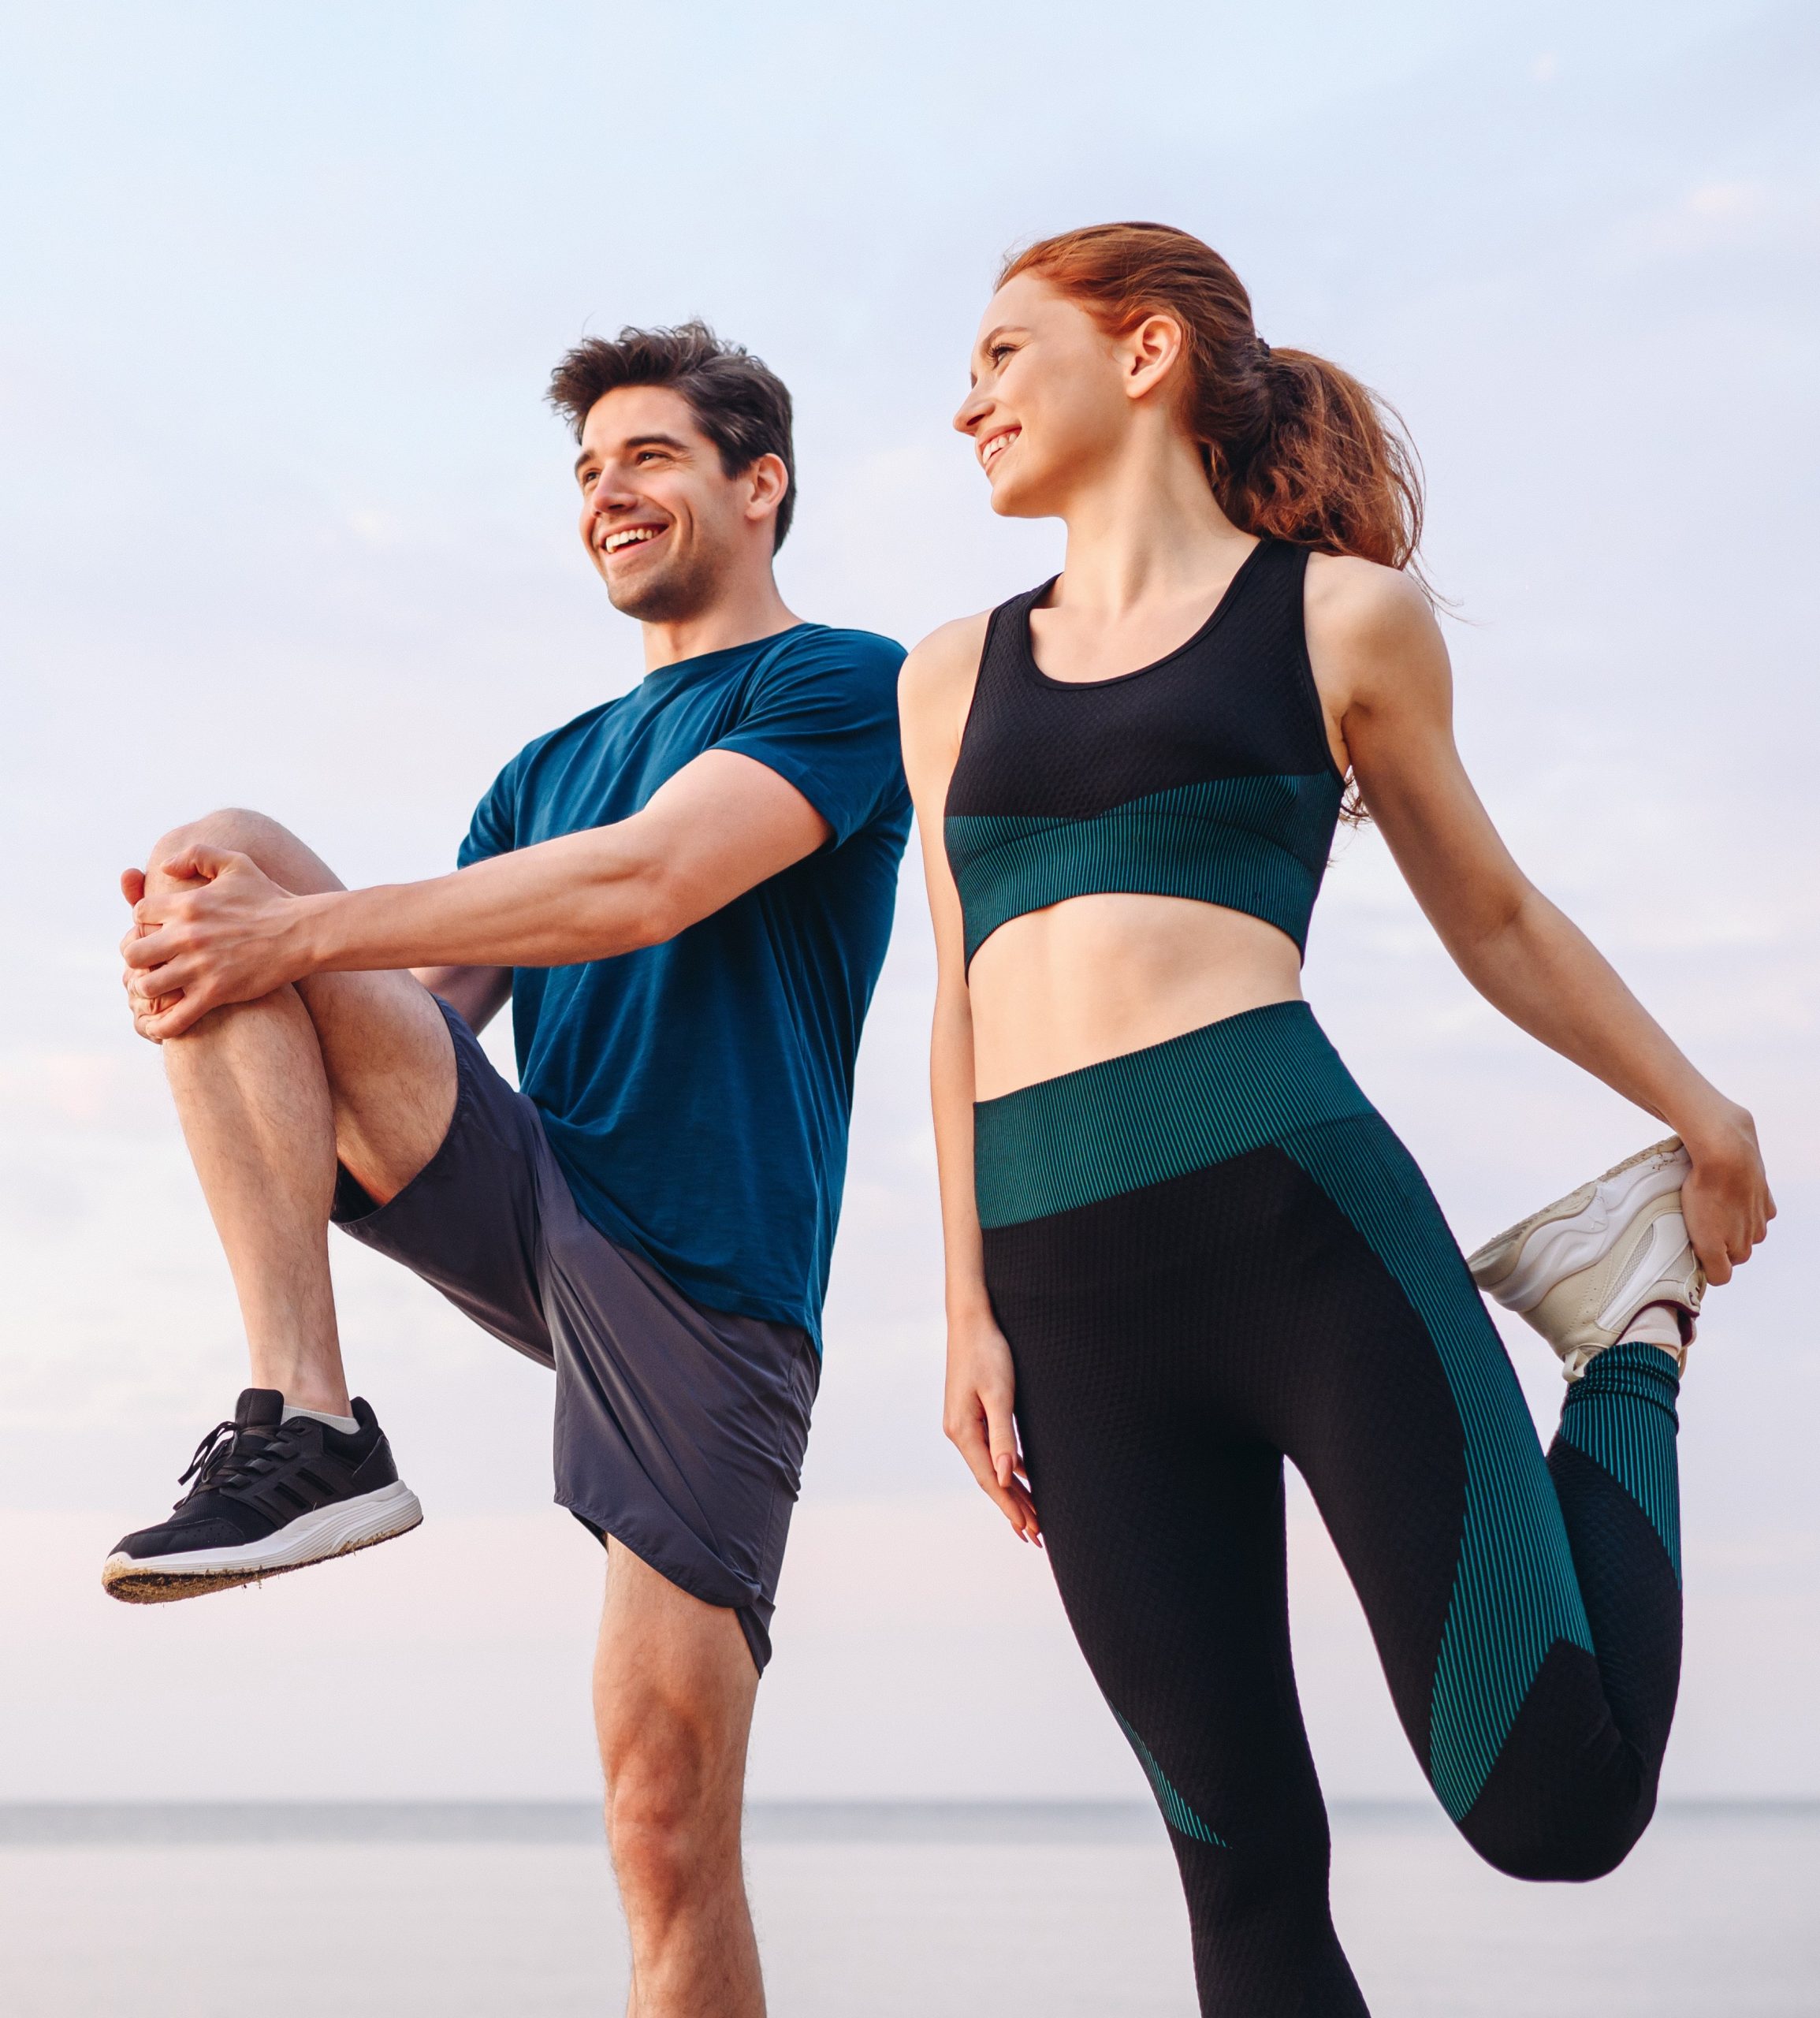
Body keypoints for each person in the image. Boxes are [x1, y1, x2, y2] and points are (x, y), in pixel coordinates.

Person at [898, 224, 1773, 2016]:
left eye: (1001, 351)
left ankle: (1622, 1334)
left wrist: (1699, 1110)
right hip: (1067, 1303)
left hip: (1297, 1231)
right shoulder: (945, 675)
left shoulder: (1335, 618)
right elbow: (956, 998)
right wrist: (969, 1312)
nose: (964, 396)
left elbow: (1497, 917)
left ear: (1140, 355)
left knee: (1556, 1801)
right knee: (1243, 1890)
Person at [110, 321, 910, 2018]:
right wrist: (223, 968)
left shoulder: (839, 681)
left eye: (650, 458)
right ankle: (309, 1419)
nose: (608, 493)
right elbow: (422, 1022)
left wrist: (295, 932)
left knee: (662, 1812)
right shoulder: (537, 771)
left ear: (759, 485)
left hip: (710, 1276)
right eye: (588, 471)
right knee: (213, 862)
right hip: (532, 1195)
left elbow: (642, 886)